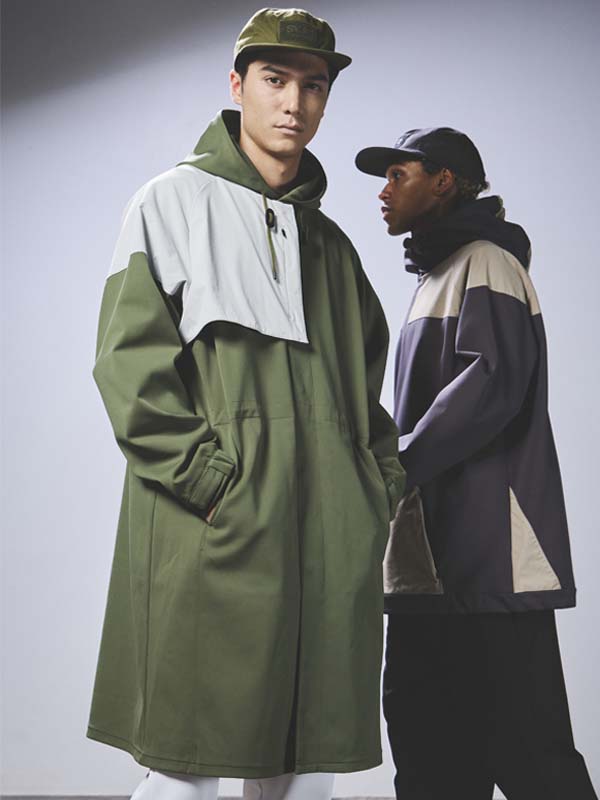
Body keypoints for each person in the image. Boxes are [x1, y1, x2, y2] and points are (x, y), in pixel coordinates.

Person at [87, 8, 406, 800]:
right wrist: (209, 483)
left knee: (305, 768)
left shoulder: (332, 247)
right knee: (185, 767)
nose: (294, 102)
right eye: (274, 79)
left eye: (313, 85)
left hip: (328, 540)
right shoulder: (170, 204)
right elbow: (129, 366)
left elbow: (365, 395)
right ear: (237, 85)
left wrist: (377, 488)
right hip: (215, 529)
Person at [355, 128, 598, 800]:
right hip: (429, 563)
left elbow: (490, 384)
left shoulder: (486, 262)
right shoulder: (439, 274)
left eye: (398, 175)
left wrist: (392, 465)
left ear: (444, 181)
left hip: (488, 558)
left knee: (531, 755)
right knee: (430, 756)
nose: (383, 192)